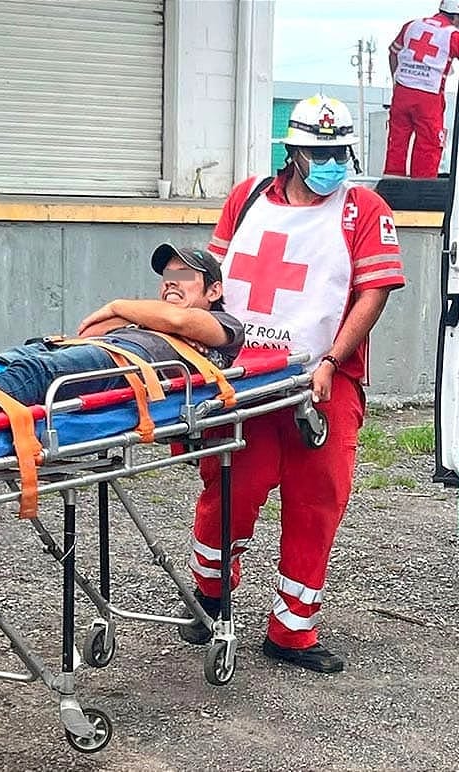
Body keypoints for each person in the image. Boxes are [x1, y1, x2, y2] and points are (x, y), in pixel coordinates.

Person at [187, 94, 406, 673]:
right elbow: (213, 279)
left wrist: (333, 359)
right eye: (319, 152)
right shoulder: (249, 197)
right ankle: (210, 596)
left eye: (340, 152)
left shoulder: (364, 208)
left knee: (316, 502)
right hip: (244, 378)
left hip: (323, 382)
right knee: (228, 491)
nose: (331, 163)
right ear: (292, 151)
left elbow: (373, 291)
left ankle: (291, 630)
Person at [0, 244, 244, 429]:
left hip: (120, 365)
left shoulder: (226, 327)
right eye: (168, 274)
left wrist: (119, 304)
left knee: (35, 377)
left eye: (184, 275)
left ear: (213, 291)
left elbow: (180, 321)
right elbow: (90, 330)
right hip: (92, 349)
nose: (171, 280)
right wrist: (138, 316)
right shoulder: (149, 318)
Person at [384, 1, 459, 178]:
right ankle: (423, 189)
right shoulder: (452, 35)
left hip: (402, 92)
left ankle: (392, 186)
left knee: (397, 141)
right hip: (429, 96)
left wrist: (397, 80)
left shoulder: (412, 25)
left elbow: (393, 53)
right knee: (429, 144)